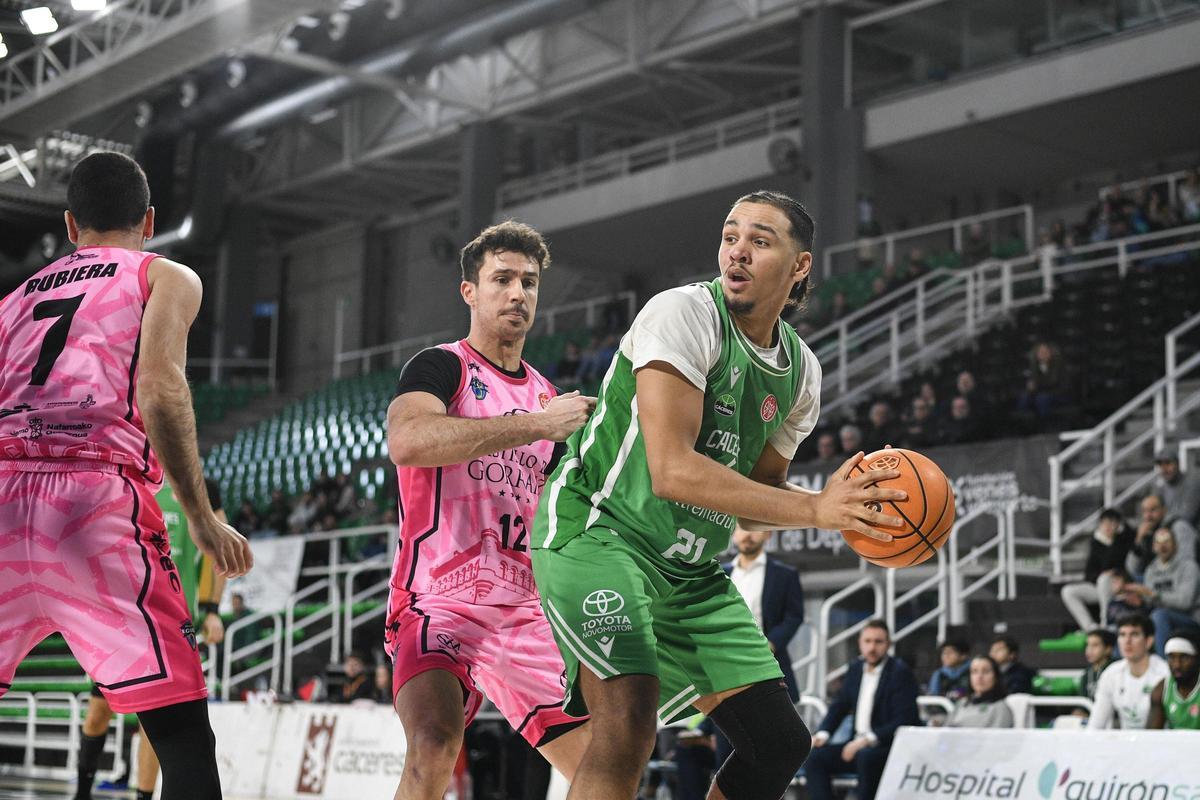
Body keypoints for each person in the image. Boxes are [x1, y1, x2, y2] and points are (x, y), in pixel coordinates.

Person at [529, 190, 907, 800]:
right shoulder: (681, 313)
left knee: (779, 744)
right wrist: (815, 509)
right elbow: (673, 471)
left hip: (689, 570)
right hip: (597, 533)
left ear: (800, 266)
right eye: (731, 236)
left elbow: (756, 493)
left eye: (760, 241)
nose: (738, 252)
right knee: (627, 724)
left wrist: (839, 506)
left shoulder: (801, 373)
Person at [0, 152, 252, 800]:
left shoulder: (11, 303)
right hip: (92, 496)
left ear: (69, 224)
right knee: (182, 736)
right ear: (149, 220)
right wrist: (199, 514)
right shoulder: (164, 276)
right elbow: (161, 389)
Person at [384, 221, 596, 800]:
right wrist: (535, 426)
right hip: (436, 601)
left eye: (529, 282)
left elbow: (562, 515)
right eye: (502, 279)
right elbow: (407, 441)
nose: (518, 293)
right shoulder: (442, 366)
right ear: (469, 291)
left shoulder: (551, 396)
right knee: (433, 744)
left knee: (606, 771)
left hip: (524, 612)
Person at [74, 476, 230, 800]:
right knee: (97, 712)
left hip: (171, 617)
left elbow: (219, 549)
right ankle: (82, 792)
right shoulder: (125, 474)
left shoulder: (199, 485)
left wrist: (212, 608)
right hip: (120, 617)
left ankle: (143, 796)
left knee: (157, 719)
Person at [717, 526, 806, 767]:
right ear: (732, 534)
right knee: (727, 750)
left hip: (769, 665)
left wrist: (771, 643)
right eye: (741, 529)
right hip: (726, 670)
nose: (747, 535)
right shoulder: (718, 574)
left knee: (774, 749)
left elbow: (793, 616)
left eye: (754, 529)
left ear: (768, 534)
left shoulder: (784, 574)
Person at [805, 620, 920, 800]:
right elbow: (840, 705)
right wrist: (823, 733)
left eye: (878, 642)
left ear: (888, 644)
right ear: (860, 643)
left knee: (866, 758)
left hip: (886, 748)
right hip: (856, 746)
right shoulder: (855, 668)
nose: (872, 647)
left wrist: (866, 741)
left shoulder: (900, 673)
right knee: (815, 759)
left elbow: (904, 719)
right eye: (867, 641)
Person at [1088, 614, 1170, 730]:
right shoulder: (1110, 674)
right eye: (1122, 635)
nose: (1127, 641)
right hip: (1126, 744)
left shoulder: (1165, 673)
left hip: (1161, 743)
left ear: (1149, 641)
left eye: (1134, 634)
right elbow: (1096, 724)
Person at [1128, 527, 1200, 655]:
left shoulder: (1189, 566)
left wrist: (1153, 595)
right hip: (1162, 618)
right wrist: (1140, 601)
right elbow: (1150, 602)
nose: (1162, 546)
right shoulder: (1150, 570)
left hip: (1191, 620)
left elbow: (1185, 602)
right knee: (1130, 621)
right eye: (1158, 542)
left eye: (1167, 541)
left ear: (1176, 545)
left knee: (1159, 615)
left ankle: (1165, 666)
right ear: (1153, 547)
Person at [1061, 508, 1136, 630]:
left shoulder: (1123, 541)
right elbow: (1089, 574)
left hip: (1118, 586)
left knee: (1104, 579)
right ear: (1100, 524)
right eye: (1105, 522)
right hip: (1099, 586)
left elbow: (1132, 537)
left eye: (1113, 523)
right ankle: (1090, 628)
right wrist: (1102, 574)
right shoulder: (1096, 543)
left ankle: (1106, 622)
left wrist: (1113, 573)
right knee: (1068, 591)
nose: (1109, 526)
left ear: (1118, 525)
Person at [1123, 494, 1197, 578]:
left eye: (1153, 510)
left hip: (1179, 578)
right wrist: (1138, 541)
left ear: (1164, 510)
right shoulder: (1146, 532)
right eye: (1144, 511)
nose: (1148, 516)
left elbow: (1187, 563)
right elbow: (1132, 569)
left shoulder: (1179, 527)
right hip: (1155, 578)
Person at [1148, 632, 1200, 730]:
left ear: (1197, 659)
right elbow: (1152, 736)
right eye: (1171, 657)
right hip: (1176, 744)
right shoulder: (1161, 689)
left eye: (1184, 657)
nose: (1177, 665)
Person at [945, 656, 1014, 728]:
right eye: (974, 671)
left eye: (986, 671)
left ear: (996, 676)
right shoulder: (962, 703)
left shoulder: (1000, 708)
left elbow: (998, 738)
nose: (979, 676)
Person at [1156, 449, 1200, 529]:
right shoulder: (1162, 489)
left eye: (1168, 463)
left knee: (1179, 526)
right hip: (1170, 531)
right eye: (1160, 465)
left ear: (1178, 464)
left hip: (1193, 532)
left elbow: (1187, 516)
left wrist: (1164, 520)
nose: (1164, 469)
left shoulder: (1193, 482)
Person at [1081, 628, 1116, 701]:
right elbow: (1082, 701)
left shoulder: (1115, 670)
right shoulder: (1087, 673)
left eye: (1095, 645)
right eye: (1088, 645)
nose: (1089, 649)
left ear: (1108, 649)